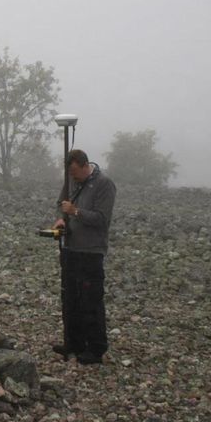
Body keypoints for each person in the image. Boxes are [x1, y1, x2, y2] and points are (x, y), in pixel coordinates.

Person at [50, 148, 117, 365]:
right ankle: (74, 342)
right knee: (70, 298)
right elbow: (62, 205)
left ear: (85, 165)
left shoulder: (104, 185)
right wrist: (62, 219)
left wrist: (75, 212)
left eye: (76, 172)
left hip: (91, 251)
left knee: (91, 300)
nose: (73, 177)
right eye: (70, 173)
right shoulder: (70, 181)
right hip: (70, 249)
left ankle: (95, 349)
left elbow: (101, 218)